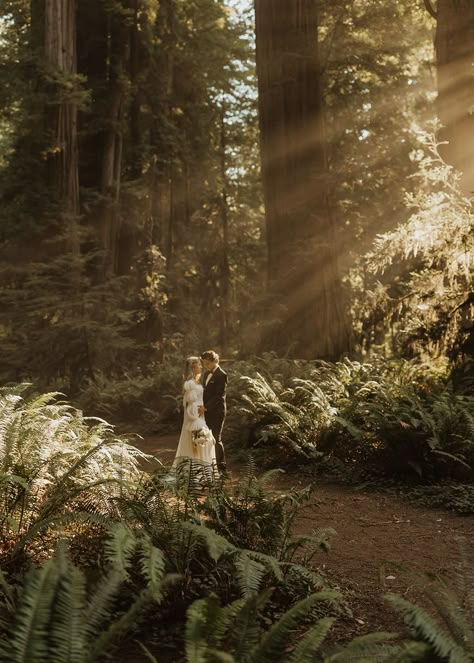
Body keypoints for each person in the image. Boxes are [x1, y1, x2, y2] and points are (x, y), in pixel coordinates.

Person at [173, 356, 216, 469]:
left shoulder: (197, 381)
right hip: (195, 416)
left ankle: (202, 468)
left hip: (201, 414)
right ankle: (196, 469)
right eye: (199, 364)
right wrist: (195, 415)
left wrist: (203, 408)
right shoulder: (190, 383)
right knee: (199, 441)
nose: (201, 366)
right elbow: (190, 402)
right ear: (193, 367)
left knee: (203, 442)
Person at [199, 350, 227, 476]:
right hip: (205, 411)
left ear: (215, 360)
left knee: (216, 438)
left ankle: (221, 468)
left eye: (208, 363)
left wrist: (206, 407)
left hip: (217, 411)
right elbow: (204, 392)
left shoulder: (222, 375)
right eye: (204, 363)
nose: (206, 366)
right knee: (206, 438)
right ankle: (209, 466)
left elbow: (218, 395)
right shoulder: (205, 374)